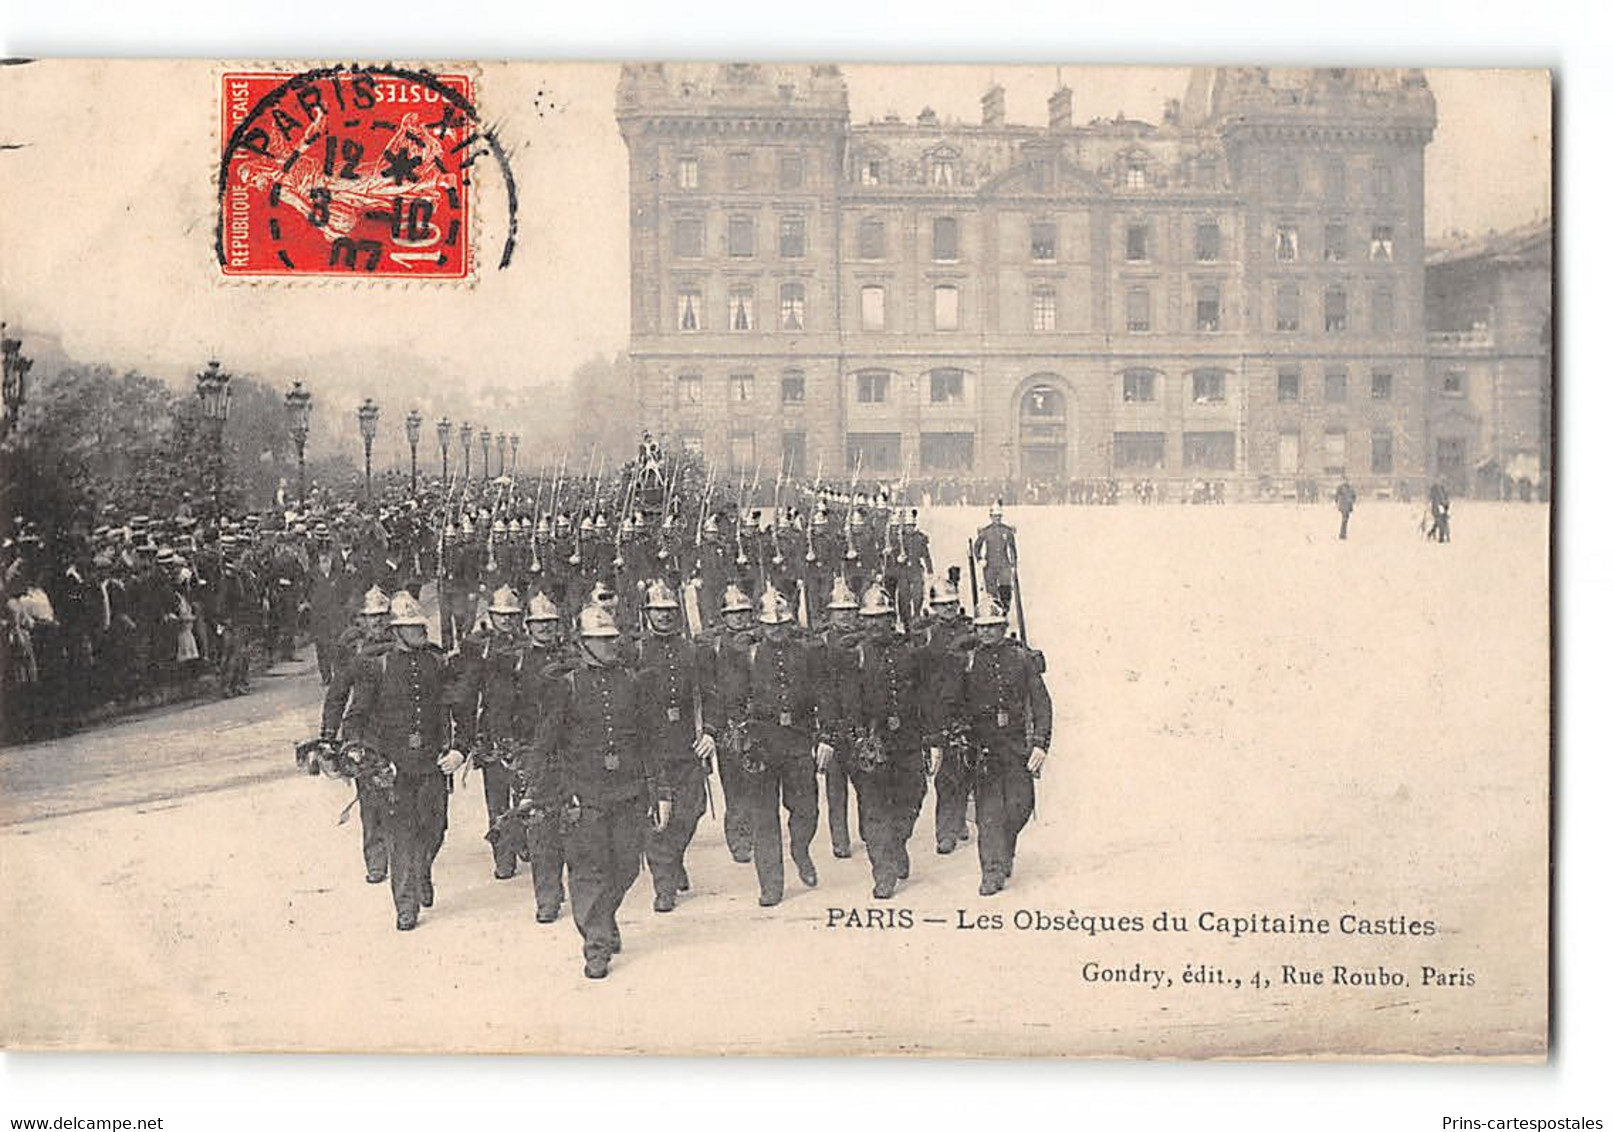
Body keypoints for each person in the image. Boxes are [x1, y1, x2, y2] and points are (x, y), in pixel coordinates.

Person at [527, 602, 668, 979]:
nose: (610, 646)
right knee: (590, 870)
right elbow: (546, 742)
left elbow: (651, 740)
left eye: (612, 639)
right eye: (601, 641)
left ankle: (604, 917)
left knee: (625, 867)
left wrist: (662, 791)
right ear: (583, 644)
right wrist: (535, 789)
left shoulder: (633, 683)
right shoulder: (565, 686)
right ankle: (596, 945)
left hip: (628, 791)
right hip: (583, 794)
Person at [343, 591, 463, 932]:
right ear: (396, 630)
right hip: (392, 766)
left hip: (431, 762)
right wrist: (361, 751)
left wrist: (460, 748)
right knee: (400, 836)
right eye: (411, 627)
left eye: (421, 625)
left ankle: (422, 868)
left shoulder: (436, 663)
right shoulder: (376, 666)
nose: (420, 631)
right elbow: (356, 716)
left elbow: (458, 708)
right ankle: (406, 904)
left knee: (436, 827)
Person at [736, 584, 836, 907]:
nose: (776, 631)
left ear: (790, 624)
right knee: (764, 817)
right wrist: (740, 735)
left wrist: (825, 736)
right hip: (761, 743)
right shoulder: (747, 654)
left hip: (797, 739)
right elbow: (733, 700)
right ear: (760, 625)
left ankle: (801, 850)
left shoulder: (807, 653)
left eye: (781, 625)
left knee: (806, 809)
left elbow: (824, 695)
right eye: (770, 625)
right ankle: (771, 884)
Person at [635, 578, 718, 913]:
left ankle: (673, 858)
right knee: (658, 816)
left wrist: (710, 731)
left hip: (687, 742)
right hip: (650, 747)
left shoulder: (692, 649)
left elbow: (711, 693)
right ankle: (664, 886)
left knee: (692, 808)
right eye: (658, 611)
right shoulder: (637, 649)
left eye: (670, 611)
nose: (665, 617)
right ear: (647, 614)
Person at [962, 596, 1052, 897]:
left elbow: (1041, 703)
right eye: (982, 627)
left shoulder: (1021, 659)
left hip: (1016, 747)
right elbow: (954, 702)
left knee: (1019, 806)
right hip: (983, 748)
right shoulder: (968, 660)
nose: (987, 633)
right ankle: (992, 870)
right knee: (989, 814)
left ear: (1003, 628)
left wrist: (1040, 743)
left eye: (993, 627)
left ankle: (1004, 849)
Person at [844, 584, 928, 900]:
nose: (876, 624)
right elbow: (848, 701)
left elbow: (922, 688)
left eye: (882, 618)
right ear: (862, 621)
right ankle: (884, 872)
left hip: (907, 738)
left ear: (892, 618)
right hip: (872, 741)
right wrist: (858, 738)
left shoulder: (907, 650)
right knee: (876, 808)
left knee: (914, 794)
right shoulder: (855, 654)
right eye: (870, 619)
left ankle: (896, 845)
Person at [451, 585, 529, 880]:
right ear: (492, 616)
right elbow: (468, 694)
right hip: (494, 731)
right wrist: (467, 737)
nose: (507, 620)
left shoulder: (528, 644)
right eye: (501, 615)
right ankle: (504, 857)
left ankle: (522, 841)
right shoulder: (479, 649)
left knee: (524, 794)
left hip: (524, 731)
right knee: (497, 800)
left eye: (512, 615)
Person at [318, 585, 395, 883]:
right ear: (361, 619)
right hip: (363, 728)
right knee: (370, 797)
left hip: (397, 726)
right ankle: (376, 858)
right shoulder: (352, 649)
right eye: (370, 617)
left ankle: (404, 851)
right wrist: (328, 733)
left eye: (382, 616)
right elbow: (337, 693)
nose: (377, 622)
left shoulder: (402, 643)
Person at [512, 589, 570, 923]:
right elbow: (504, 705)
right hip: (535, 751)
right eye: (540, 624)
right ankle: (547, 895)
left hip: (570, 751)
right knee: (540, 826)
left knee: (574, 825)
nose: (546, 628)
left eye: (551, 623)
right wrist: (518, 749)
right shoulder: (518, 661)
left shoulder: (572, 657)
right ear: (528, 626)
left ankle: (572, 885)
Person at [913, 570, 973, 855]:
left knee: (969, 768)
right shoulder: (925, 634)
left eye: (952, 604)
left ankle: (961, 818)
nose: (948, 609)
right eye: (942, 605)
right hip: (938, 709)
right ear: (933, 608)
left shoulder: (971, 630)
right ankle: (946, 831)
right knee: (946, 773)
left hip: (969, 707)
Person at [973, 501, 1018, 613]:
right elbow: (976, 546)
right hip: (990, 566)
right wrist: (979, 559)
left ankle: (1005, 610)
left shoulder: (1007, 531)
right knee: (991, 592)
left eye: (998, 517)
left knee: (1005, 589)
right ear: (991, 517)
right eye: (994, 517)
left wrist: (1013, 564)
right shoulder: (986, 531)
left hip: (1004, 564)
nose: (996, 519)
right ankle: (994, 611)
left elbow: (1013, 549)